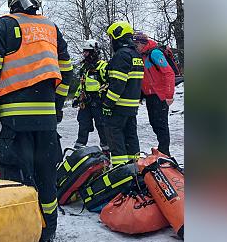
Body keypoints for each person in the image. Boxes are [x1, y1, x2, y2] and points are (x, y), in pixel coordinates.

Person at [0, 0, 72, 242]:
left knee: (17, 186)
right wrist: (56, 106)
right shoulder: (51, 28)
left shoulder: (5, 25)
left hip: (16, 124)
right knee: (47, 186)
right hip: (46, 126)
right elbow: (67, 73)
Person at [102, 21, 145, 167]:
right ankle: (135, 167)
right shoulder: (136, 55)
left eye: (111, 38)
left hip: (119, 106)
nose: (111, 42)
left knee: (115, 138)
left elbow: (118, 83)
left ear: (117, 36)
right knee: (131, 137)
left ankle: (121, 172)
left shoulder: (121, 55)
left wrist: (108, 103)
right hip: (131, 107)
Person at [133, 32, 176, 156]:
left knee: (161, 124)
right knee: (154, 123)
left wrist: (169, 95)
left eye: (136, 44)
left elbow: (169, 73)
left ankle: (164, 152)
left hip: (160, 95)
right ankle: (162, 149)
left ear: (142, 43)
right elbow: (144, 78)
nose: (135, 47)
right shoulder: (142, 56)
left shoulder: (154, 53)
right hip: (150, 95)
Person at [72, 39, 109, 149]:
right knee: (83, 123)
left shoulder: (102, 66)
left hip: (98, 102)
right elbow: (81, 84)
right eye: (84, 51)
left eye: (87, 51)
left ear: (94, 52)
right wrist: (76, 97)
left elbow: (109, 83)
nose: (85, 54)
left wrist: (100, 95)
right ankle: (79, 147)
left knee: (101, 126)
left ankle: (106, 148)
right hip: (85, 101)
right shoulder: (84, 68)